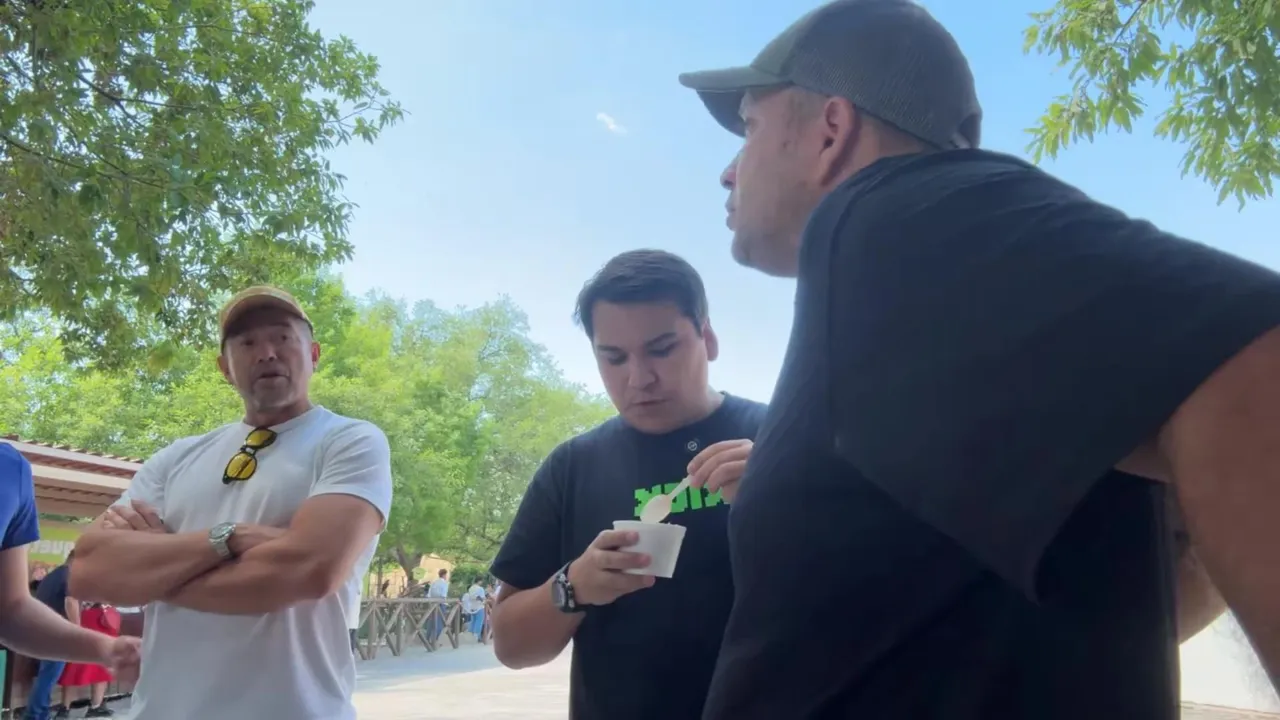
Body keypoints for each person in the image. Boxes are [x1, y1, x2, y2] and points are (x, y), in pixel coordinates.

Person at [677, 1, 1280, 717]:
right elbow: (1166, 555)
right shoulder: (938, 295)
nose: (728, 172)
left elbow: (1254, 353)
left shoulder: (883, 212)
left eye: (749, 127)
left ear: (831, 131)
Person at [68, 286, 394, 720]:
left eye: (282, 337)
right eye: (247, 343)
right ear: (224, 368)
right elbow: (88, 569)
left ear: (314, 354)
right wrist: (231, 539)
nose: (267, 353)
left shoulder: (350, 442)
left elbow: (310, 570)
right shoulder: (174, 459)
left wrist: (153, 573)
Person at [489, 249, 767, 719]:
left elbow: (871, 608)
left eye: (662, 349)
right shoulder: (572, 467)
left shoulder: (782, 441)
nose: (639, 379)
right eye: (614, 358)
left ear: (708, 338)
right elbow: (511, 646)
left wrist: (778, 501)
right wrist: (574, 585)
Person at [0, 445, 140, 720]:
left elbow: (11, 608)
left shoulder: (11, 468)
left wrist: (108, 649)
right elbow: (70, 601)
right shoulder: (64, 577)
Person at [57, 601, 122, 717]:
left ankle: (64, 708)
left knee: (74, 664)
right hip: (102, 616)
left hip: (83, 614)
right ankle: (96, 706)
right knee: (101, 663)